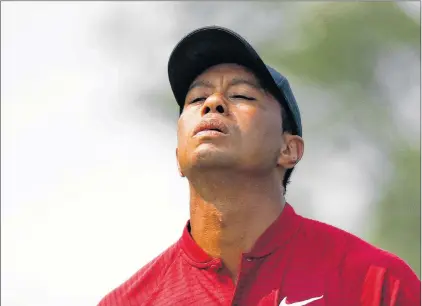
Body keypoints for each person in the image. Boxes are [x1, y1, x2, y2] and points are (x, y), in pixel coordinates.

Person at [98, 26, 420, 306]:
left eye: (241, 95)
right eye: (196, 99)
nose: (213, 103)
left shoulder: (376, 284)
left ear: (288, 149)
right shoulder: (128, 302)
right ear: (179, 156)